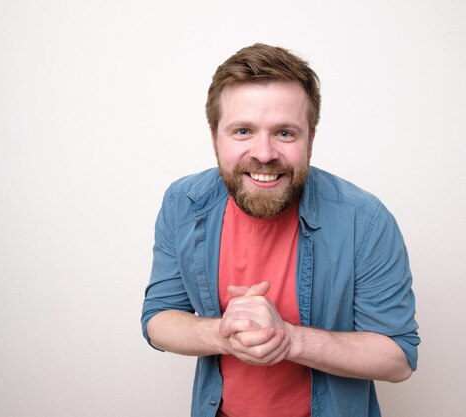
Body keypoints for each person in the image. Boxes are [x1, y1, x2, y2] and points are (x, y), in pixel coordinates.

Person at [141, 43, 419, 417]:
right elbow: (159, 319)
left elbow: (397, 358)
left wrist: (288, 339)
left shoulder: (364, 220)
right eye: (242, 131)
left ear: (310, 139)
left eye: (285, 133)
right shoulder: (183, 203)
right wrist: (224, 331)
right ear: (214, 137)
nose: (264, 153)